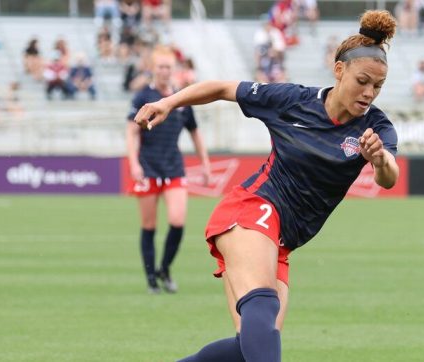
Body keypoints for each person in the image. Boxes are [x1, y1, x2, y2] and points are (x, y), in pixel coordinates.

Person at [133, 10, 399, 362]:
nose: (369, 93)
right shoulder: (293, 100)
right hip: (251, 209)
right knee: (263, 310)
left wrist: (379, 159)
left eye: (377, 86)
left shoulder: (377, 128)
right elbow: (222, 88)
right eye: (362, 81)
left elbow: (389, 176)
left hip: (281, 240)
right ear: (339, 71)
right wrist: (168, 102)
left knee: (251, 347)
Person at [125, 46, 211, 294]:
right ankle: (151, 277)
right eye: (160, 67)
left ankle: (164, 268)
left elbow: (195, 132)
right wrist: (134, 163)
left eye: (168, 67)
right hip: (149, 167)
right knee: (149, 225)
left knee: (177, 220)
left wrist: (204, 162)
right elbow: (131, 131)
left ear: (174, 70)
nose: (164, 71)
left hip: (174, 167)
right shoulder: (143, 97)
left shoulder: (181, 100)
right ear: (153, 69)